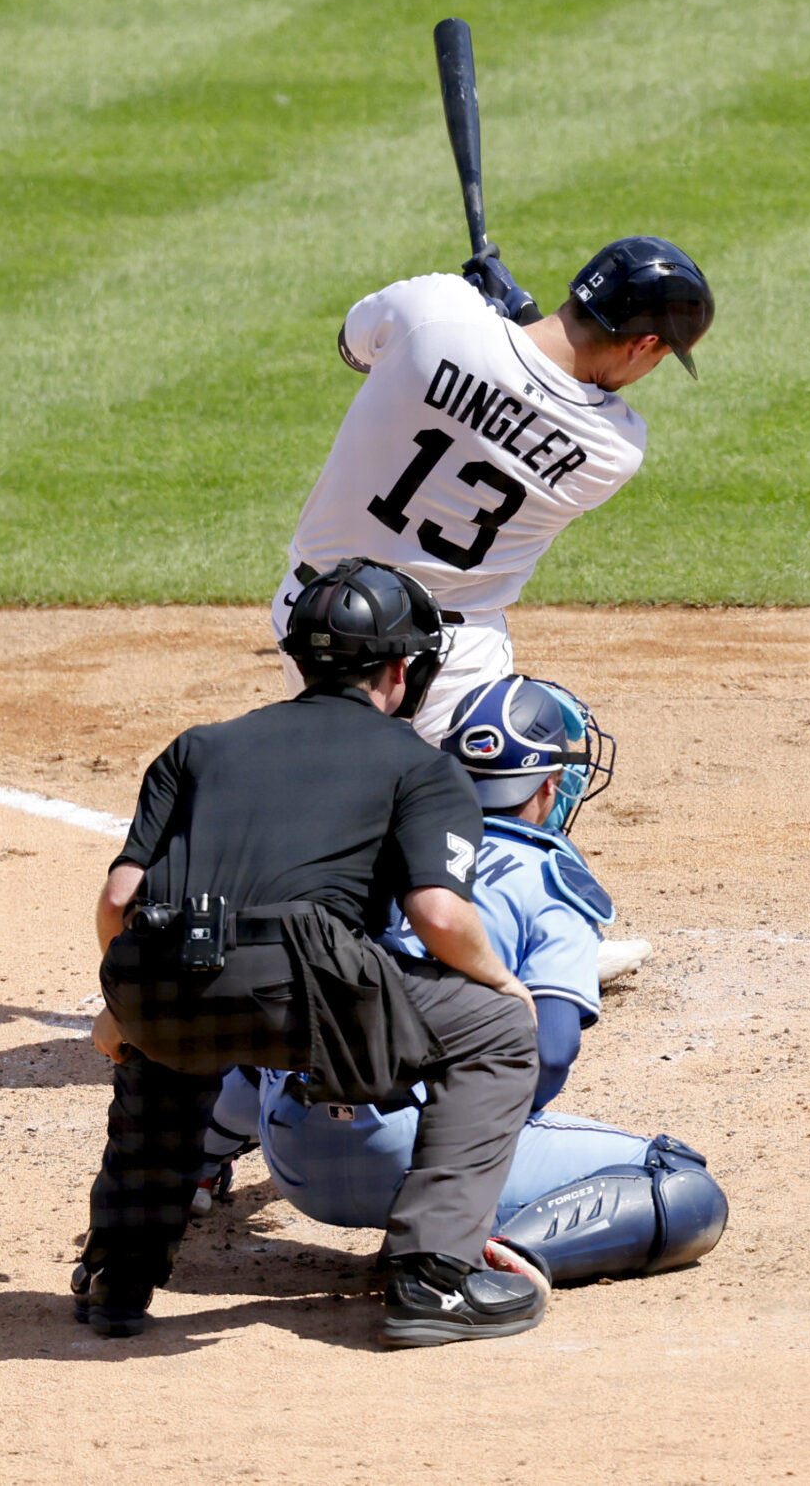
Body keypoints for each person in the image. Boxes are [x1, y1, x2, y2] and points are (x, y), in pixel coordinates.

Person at [75, 558, 550, 1348]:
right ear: (403, 667)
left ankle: (116, 1276)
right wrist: (502, 980)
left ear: (298, 658)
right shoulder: (419, 763)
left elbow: (121, 900)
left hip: (167, 974)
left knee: (168, 1035)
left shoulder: (196, 746)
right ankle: (432, 1280)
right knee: (496, 1028)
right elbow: (436, 912)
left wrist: (123, 1009)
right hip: (309, 994)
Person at [196, 675, 729, 1290]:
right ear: (549, 786)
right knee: (682, 1184)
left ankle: (197, 1171)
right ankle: (469, 1252)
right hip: (415, 1164)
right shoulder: (548, 879)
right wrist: (461, 1146)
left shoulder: (372, 848)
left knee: (316, 1012)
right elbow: (550, 1052)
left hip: (292, 1153)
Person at [273, 237, 714, 744]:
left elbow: (353, 348)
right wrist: (515, 317)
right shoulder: (614, 449)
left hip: (316, 618)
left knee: (337, 780)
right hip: (449, 660)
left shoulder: (434, 309)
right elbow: (527, 398)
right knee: (470, 804)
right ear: (644, 345)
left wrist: (491, 318)